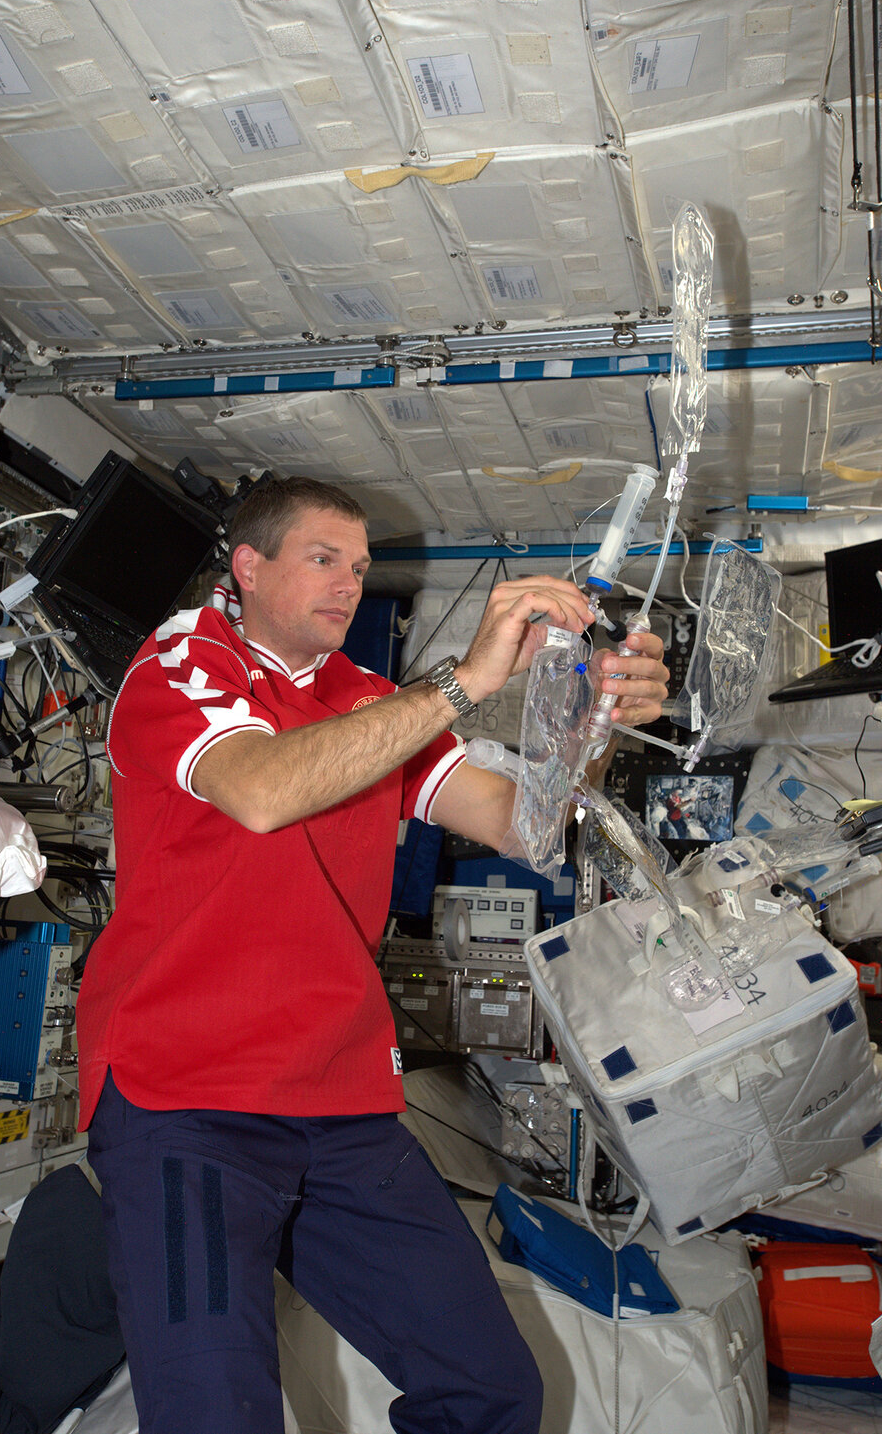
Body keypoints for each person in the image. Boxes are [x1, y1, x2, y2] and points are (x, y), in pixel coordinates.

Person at [76, 475, 670, 1434]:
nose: (350, 583)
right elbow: (263, 790)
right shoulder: (184, 660)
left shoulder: (367, 699)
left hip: (339, 1103)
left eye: (359, 567)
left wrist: (594, 725)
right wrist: (466, 680)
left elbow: (528, 823)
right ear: (248, 565)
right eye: (324, 559)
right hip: (187, 1098)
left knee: (493, 1392)